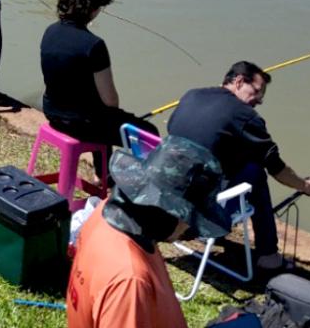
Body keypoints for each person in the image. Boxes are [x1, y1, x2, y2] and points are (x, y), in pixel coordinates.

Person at [167, 61, 310, 275]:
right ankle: (268, 256)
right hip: (198, 207)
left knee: (234, 164)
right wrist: (305, 186)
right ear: (239, 81)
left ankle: (211, 233)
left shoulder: (192, 95)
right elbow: (276, 167)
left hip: (167, 191)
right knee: (256, 172)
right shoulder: (245, 116)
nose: (259, 100)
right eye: (257, 91)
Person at [66, 135, 232, 328]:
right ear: (163, 211)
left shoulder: (105, 214)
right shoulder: (129, 282)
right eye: (188, 217)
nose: (189, 227)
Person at [39, 0, 157, 145]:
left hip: (52, 113)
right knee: (150, 134)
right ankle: (114, 172)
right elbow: (110, 101)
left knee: (102, 117)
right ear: (93, 9)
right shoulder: (94, 45)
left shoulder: (50, 31)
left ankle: (101, 171)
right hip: (84, 124)